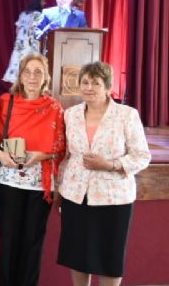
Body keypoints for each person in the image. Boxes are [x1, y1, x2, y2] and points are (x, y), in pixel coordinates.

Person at [56, 62, 151, 286]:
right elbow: (66, 155)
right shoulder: (70, 114)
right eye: (85, 82)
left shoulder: (126, 115)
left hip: (113, 198)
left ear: (107, 86)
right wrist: (58, 187)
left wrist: (110, 164)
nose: (89, 87)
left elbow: (142, 156)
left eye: (96, 83)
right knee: (78, 257)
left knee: (109, 258)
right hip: (75, 195)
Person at [0, 53, 65, 286]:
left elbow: (61, 146)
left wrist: (41, 155)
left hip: (39, 184)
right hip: (8, 182)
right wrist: (0, 154)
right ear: (20, 75)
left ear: (45, 77)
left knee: (32, 242)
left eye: (38, 72)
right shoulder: (5, 101)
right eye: (28, 72)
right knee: (9, 242)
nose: (32, 77)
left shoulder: (54, 107)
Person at [2, 0, 46, 83]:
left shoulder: (23, 14)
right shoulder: (39, 15)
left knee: (18, 64)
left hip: (20, 44)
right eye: (43, 1)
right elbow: (39, 31)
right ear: (39, 1)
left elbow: (17, 30)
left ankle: (17, 89)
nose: (45, 3)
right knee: (30, 65)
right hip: (31, 44)